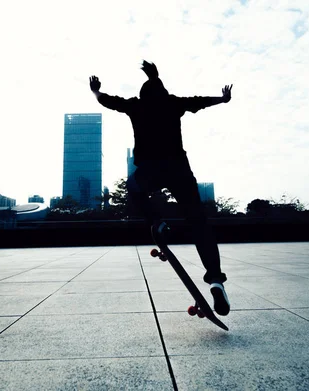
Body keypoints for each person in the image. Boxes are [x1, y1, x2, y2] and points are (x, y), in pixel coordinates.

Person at [89, 60, 232, 316]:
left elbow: (110, 101)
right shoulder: (173, 103)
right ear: (163, 91)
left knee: (133, 188)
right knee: (198, 223)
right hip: (179, 169)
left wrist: (96, 91)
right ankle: (215, 280)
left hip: (150, 170)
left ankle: (158, 222)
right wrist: (222, 99)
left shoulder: (137, 105)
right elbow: (198, 101)